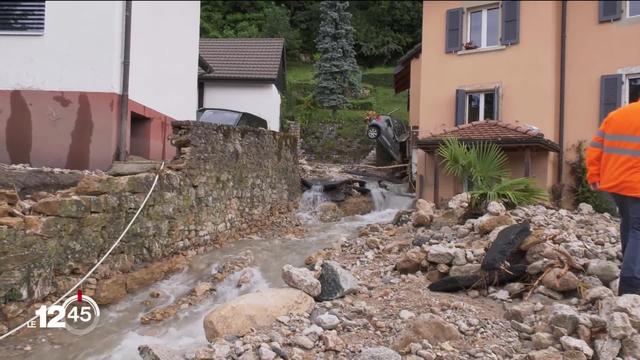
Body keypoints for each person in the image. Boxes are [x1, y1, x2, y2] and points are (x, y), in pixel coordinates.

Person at [586, 98, 640, 295]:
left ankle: (629, 265)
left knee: (629, 222)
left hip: (615, 183)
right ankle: (632, 285)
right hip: (636, 184)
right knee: (638, 228)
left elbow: (595, 149)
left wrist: (594, 175)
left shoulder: (615, 115)